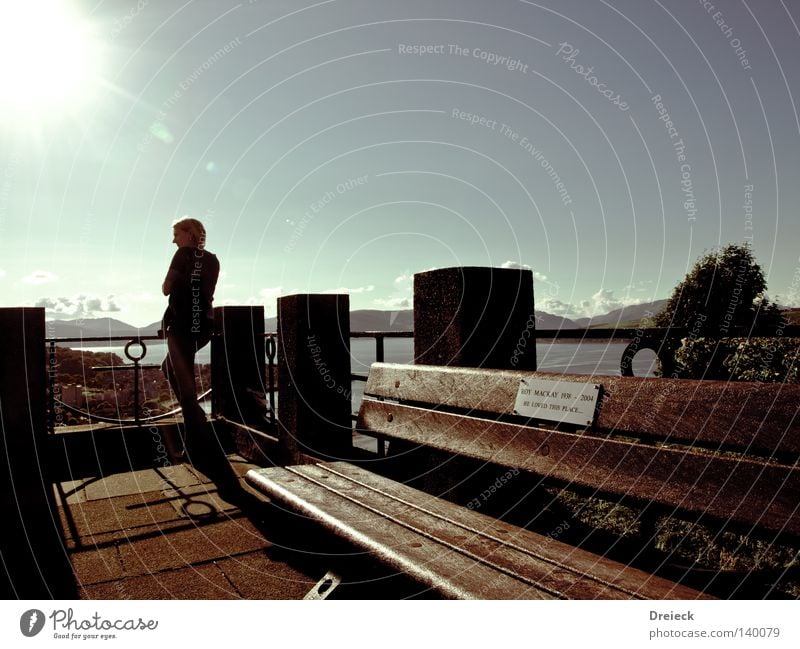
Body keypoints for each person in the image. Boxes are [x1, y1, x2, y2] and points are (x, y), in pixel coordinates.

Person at [160, 218, 236, 492]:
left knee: (185, 384)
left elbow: (166, 288)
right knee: (172, 370)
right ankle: (199, 430)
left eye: (176, 234)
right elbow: (206, 292)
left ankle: (198, 446)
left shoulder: (182, 254)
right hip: (202, 324)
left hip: (180, 324)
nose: (173, 240)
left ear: (189, 234)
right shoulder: (213, 260)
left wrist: (172, 282)